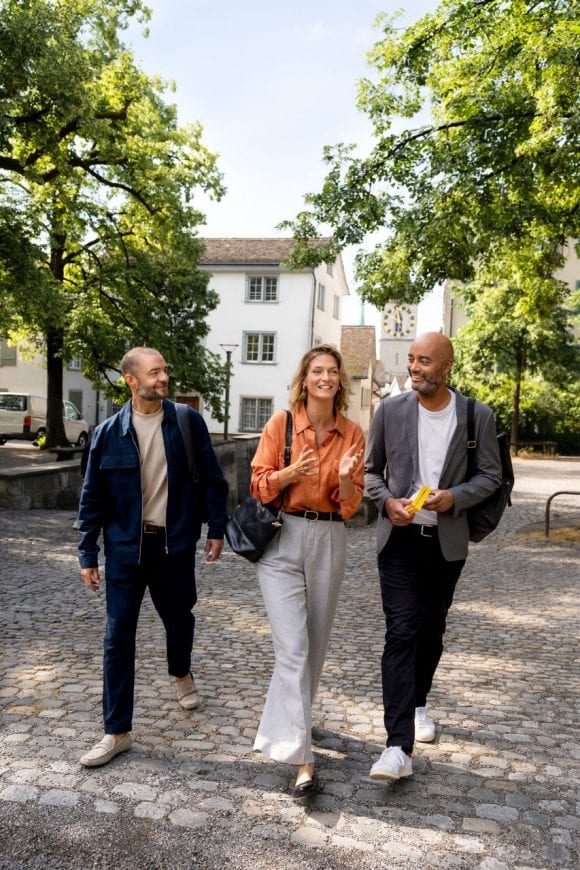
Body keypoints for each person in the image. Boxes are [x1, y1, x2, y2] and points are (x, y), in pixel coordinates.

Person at [77, 347, 228, 768]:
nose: (163, 378)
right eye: (154, 372)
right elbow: (91, 497)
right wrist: (87, 551)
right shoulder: (108, 433)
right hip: (125, 551)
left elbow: (213, 478)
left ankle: (181, 670)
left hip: (174, 546)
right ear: (131, 380)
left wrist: (216, 527)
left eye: (164, 370)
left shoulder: (186, 422)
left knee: (179, 619)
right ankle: (116, 731)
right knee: (117, 637)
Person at [364, 332, 502, 781]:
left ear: (446, 367)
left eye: (424, 361)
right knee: (401, 631)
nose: (414, 368)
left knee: (431, 630)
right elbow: (370, 472)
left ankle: (419, 702)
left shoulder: (476, 415)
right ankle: (397, 747)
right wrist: (387, 503)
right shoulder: (390, 410)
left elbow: (490, 477)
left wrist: (454, 497)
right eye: (411, 360)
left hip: (446, 543)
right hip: (399, 541)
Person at [250, 345, 365, 798]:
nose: (325, 377)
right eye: (317, 370)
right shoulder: (281, 425)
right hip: (282, 539)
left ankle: (295, 729)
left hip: (330, 537)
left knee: (313, 646)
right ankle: (303, 760)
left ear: (340, 381)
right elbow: (258, 486)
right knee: (292, 648)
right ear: (305, 377)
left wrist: (343, 478)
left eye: (332, 371)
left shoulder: (353, 432)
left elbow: (352, 506)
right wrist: (289, 474)